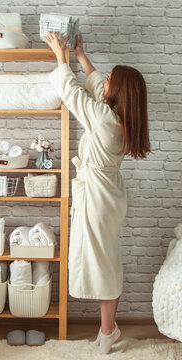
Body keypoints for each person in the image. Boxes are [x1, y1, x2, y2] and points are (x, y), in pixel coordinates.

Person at [45, 32, 150, 354]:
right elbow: (95, 85)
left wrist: (59, 54)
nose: (104, 83)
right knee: (106, 260)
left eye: (110, 82)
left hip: (98, 196)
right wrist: (80, 54)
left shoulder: (104, 118)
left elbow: (71, 92)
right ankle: (108, 330)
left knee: (103, 263)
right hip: (108, 194)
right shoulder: (120, 117)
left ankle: (108, 332)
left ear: (117, 92)